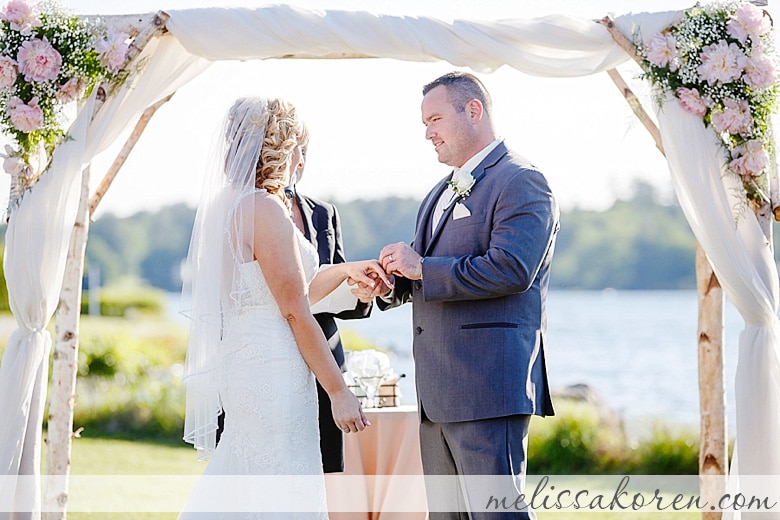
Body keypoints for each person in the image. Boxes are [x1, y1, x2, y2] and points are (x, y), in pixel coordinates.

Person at [178, 96, 389, 518]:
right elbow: (295, 311)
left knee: (250, 479)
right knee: (279, 484)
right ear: (281, 147)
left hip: (248, 360)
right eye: (297, 145)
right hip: (272, 367)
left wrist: (349, 271)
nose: (300, 157)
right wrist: (339, 392)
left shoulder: (230, 206)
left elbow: (295, 291)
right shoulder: (266, 210)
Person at [367, 71, 560, 520]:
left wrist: (421, 268)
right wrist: (391, 284)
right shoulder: (438, 191)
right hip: (437, 392)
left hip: (487, 388)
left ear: (473, 111)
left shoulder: (522, 180)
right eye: (423, 124)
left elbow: (512, 269)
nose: (428, 133)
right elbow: (429, 273)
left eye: (434, 119)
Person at [288, 144, 373, 473]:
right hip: (272, 352)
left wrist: (361, 291)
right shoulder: (252, 213)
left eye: (304, 151)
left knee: (328, 471)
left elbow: (335, 276)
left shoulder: (323, 212)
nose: (300, 160)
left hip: (326, 352)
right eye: (293, 150)